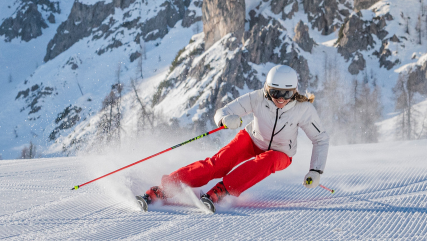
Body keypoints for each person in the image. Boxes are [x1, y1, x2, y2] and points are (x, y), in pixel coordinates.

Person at [136, 64, 330, 212]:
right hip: (252, 139)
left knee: (266, 161)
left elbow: (320, 139)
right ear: (267, 89)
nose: (280, 98)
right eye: (275, 92)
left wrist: (316, 170)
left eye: (286, 94)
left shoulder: (303, 110)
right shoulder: (257, 98)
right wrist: (225, 119)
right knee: (218, 163)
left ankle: (222, 191)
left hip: (281, 152)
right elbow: (222, 111)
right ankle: (166, 187)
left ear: (294, 92)